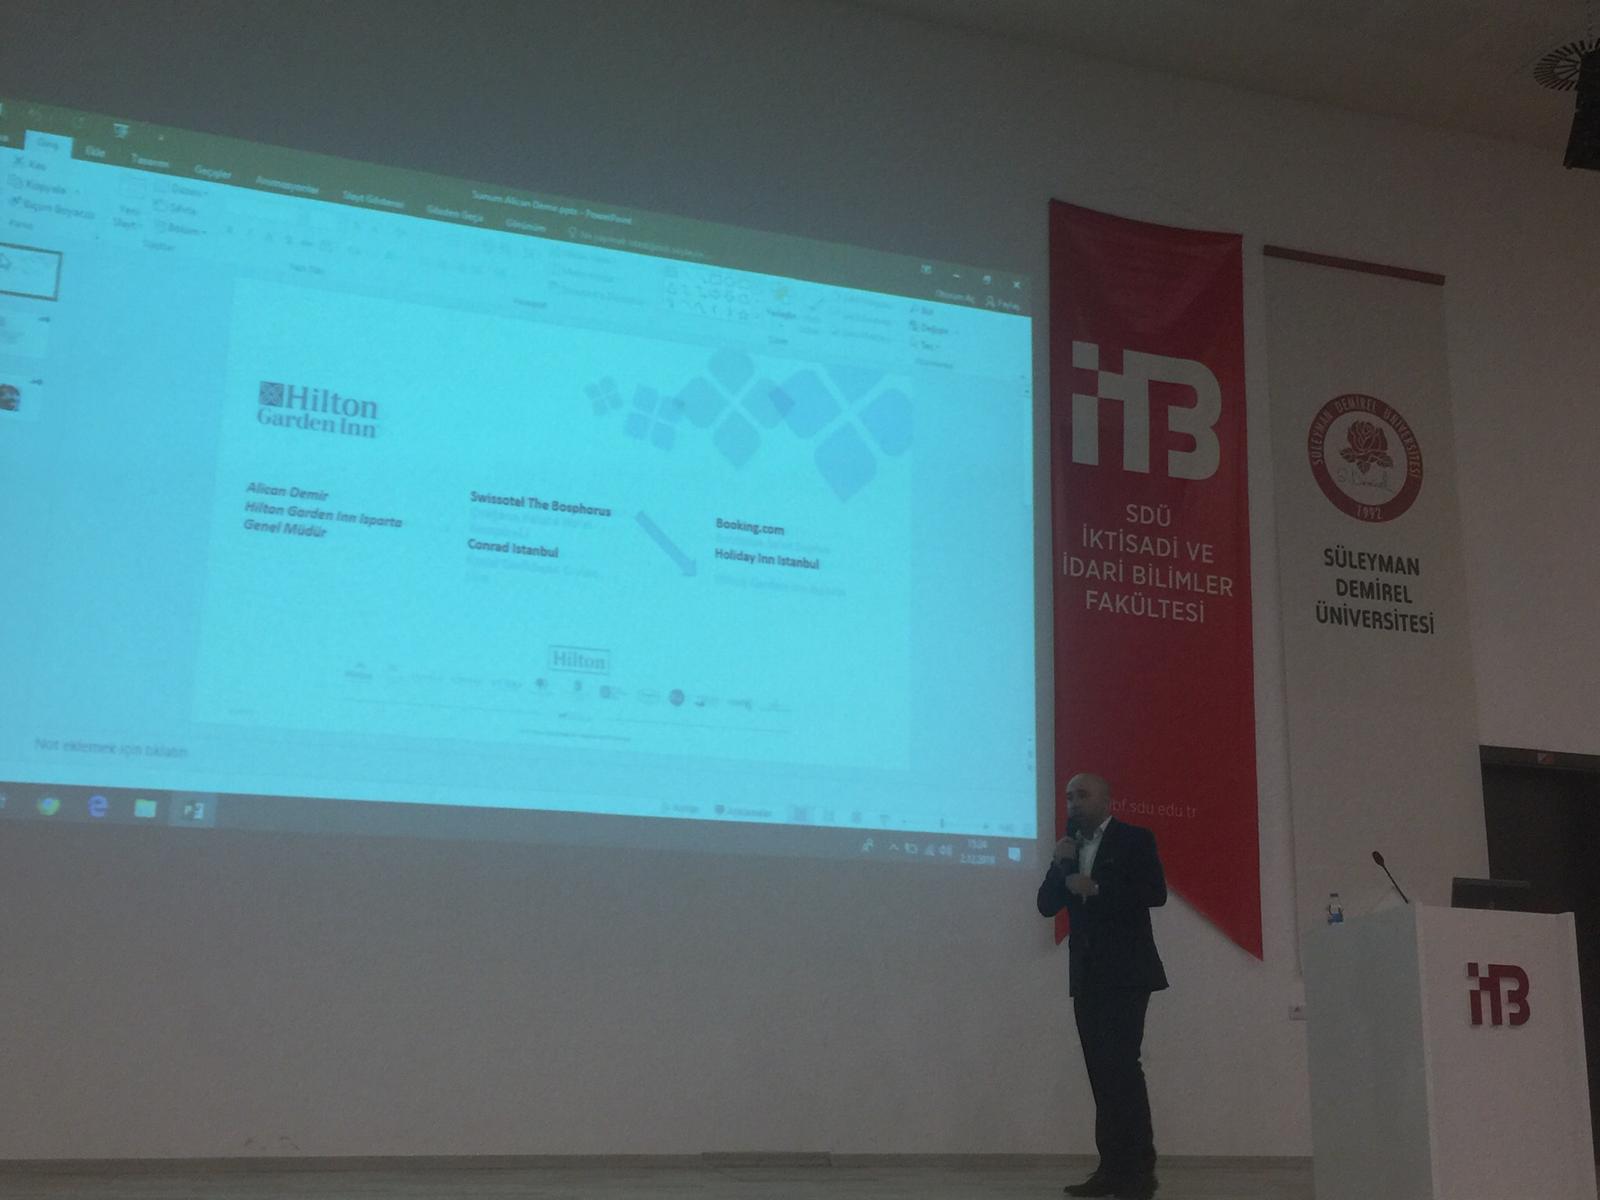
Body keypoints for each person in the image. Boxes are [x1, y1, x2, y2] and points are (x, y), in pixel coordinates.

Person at [1037, 772, 1168, 1200]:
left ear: (1107, 801)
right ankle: (1111, 1169)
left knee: (1122, 1068)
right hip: (1087, 975)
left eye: (1082, 795)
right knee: (1100, 1073)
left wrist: (1095, 887)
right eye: (1069, 797)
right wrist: (1060, 866)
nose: (1073, 803)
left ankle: (1140, 1174)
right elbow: (1046, 905)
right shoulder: (1069, 848)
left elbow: (1155, 892)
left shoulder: (1134, 839)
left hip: (1127, 973)